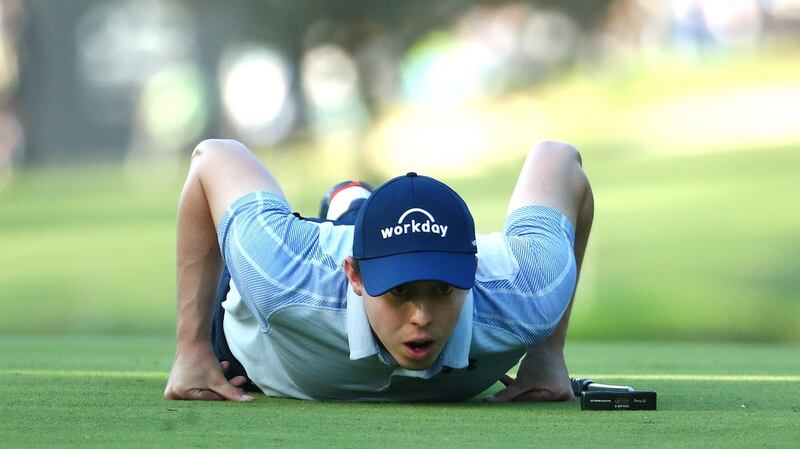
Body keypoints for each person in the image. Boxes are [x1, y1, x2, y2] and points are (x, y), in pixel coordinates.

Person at [164, 138, 593, 402]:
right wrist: (192, 347)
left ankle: (354, 208)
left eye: (442, 289)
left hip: (352, 260)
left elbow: (560, 159)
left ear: (473, 270)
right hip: (257, 335)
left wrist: (547, 354)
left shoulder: (528, 292)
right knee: (346, 232)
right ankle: (349, 206)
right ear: (355, 276)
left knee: (366, 233)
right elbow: (213, 157)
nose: (421, 316)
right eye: (400, 292)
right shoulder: (281, 274)